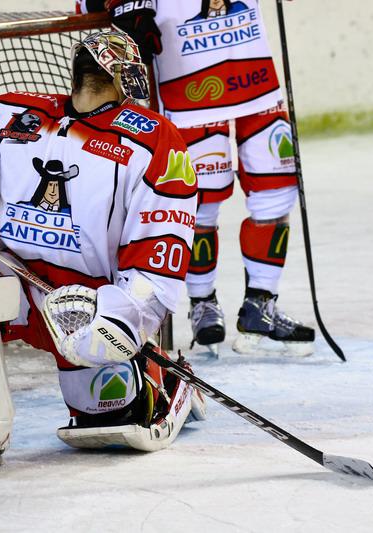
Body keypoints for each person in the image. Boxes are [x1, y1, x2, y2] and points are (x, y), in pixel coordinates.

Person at [0, 30, 205, 451]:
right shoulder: (8, 115)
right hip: (13, 286)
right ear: (120, 77)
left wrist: (125, 318)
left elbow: (159, 248)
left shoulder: (149, 138)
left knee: (104, 413)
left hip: (88, 307)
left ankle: (165, 380)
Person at [77, 0, 315, 356]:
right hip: (188, 89)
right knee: (200, 202)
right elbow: (87, 5)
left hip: (257, 84)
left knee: (276, 191)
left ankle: (261, 303)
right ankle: (203, 304)